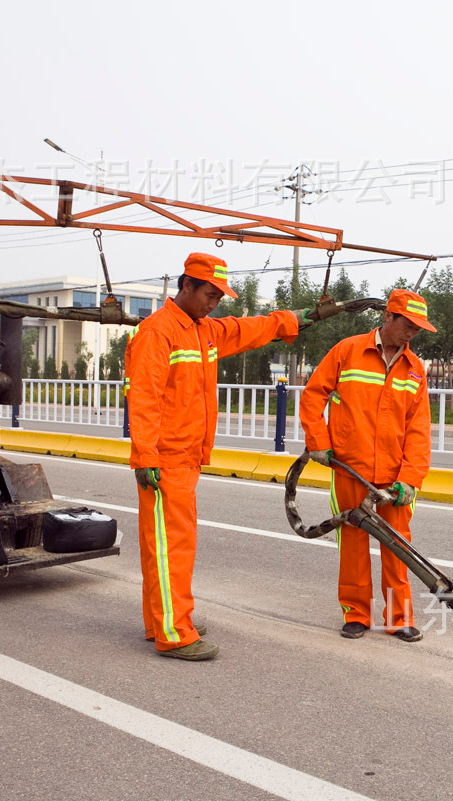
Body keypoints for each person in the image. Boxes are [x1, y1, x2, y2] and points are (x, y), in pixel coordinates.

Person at [125, 252, 324, 661]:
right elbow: (143, 397)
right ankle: (175, 634)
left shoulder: (204, 331)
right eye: (209, 294)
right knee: (171, 548)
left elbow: (249, 329)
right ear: (186, 287)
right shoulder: (157, 332)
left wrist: (296, 318)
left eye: (219, 296)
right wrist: (145, 455)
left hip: (186, 457)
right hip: (165, 458)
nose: (214, 302)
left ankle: (161, 621)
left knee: (166, 545)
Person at [299, 289, 435, 642]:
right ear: (389, 317)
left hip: (394, 477)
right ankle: (356, 614)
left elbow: (419, 430)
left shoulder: (415, 369)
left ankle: (399, 617)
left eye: (418, 329)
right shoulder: (348, 351)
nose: (412, 334)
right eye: (409, 325)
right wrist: (319, 443)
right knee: (354, 544)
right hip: (350, 468)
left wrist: (410, 479)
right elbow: (314, 394)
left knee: (397, 547)